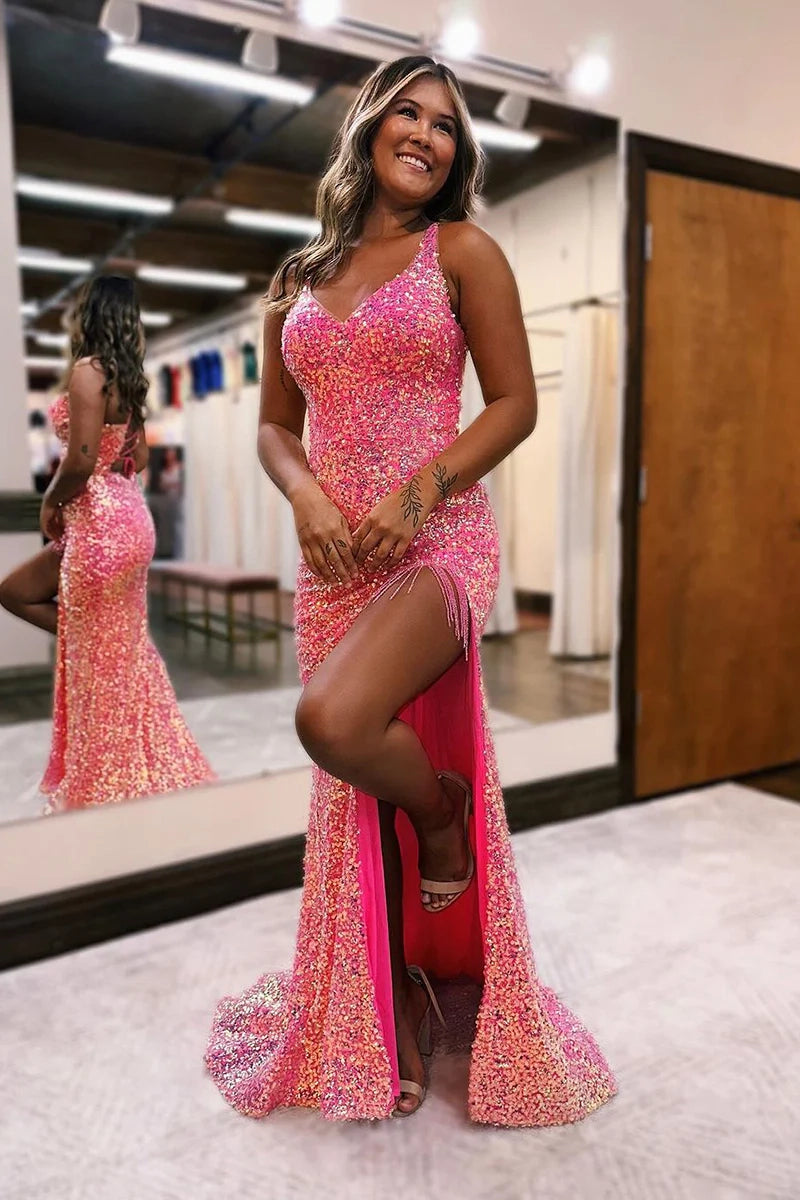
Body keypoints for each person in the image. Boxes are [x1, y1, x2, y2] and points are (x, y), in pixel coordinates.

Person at [205, 55, 616, 1123]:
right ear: (369, 126)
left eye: (445, 125)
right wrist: (303, 495)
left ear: (455, 153)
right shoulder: (296, 276)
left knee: (331, 720)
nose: (427, 135)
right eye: (409, 113)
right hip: (335, 559)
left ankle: (441, 814)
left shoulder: (463, 252)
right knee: (352, 790)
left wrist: (419, 489)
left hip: (438, 542)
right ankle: (379, 1012)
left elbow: (515, 403)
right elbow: (274, 425)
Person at [0, 275, 214, 812]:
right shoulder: (127, 377)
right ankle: (135, 761)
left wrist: (49, 503)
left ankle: (107, 780)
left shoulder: (88, 371)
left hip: (97, 521)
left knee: (63, 623)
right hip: (131, 518)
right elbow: (137, 458)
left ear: (87, 314)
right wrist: (107, 462)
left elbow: (78, 460)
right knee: (103, 634)